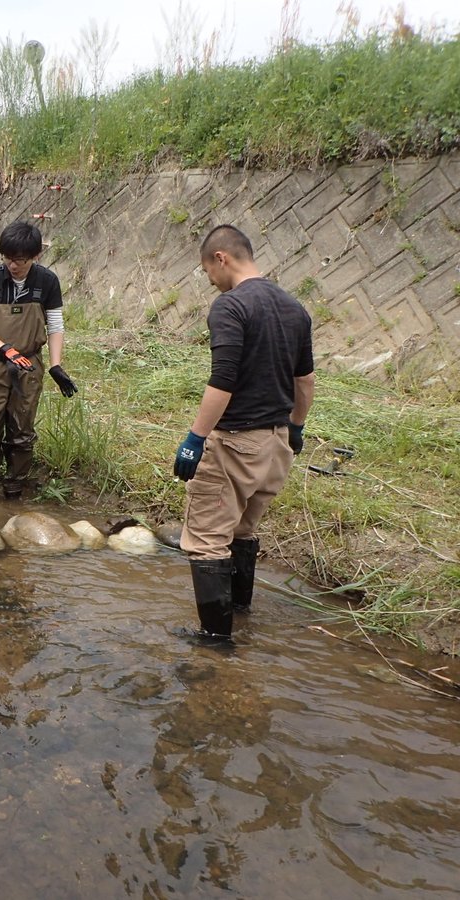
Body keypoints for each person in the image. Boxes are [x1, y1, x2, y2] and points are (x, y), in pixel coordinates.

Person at [173, 224, 314, 642]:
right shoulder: (294, 307)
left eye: (207, 273)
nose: (210, 282)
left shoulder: (230, 307)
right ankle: (241, 615)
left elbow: (223, 380)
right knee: (241, 531)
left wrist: (195, 439)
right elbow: (304, 382)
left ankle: (215, 642)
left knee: (205, 539)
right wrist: (296, 428)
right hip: (275, 444)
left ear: (222, 258)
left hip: (236, 442)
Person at [0, 220, 78, 501]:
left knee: (22, 430)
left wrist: (55, 364)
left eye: (21, 260)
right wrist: (4, 348)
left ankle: (14, 491)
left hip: (28, 364)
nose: (13, 265)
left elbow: (55, 324)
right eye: (8, 259)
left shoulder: (47, 281)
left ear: (36, 256)